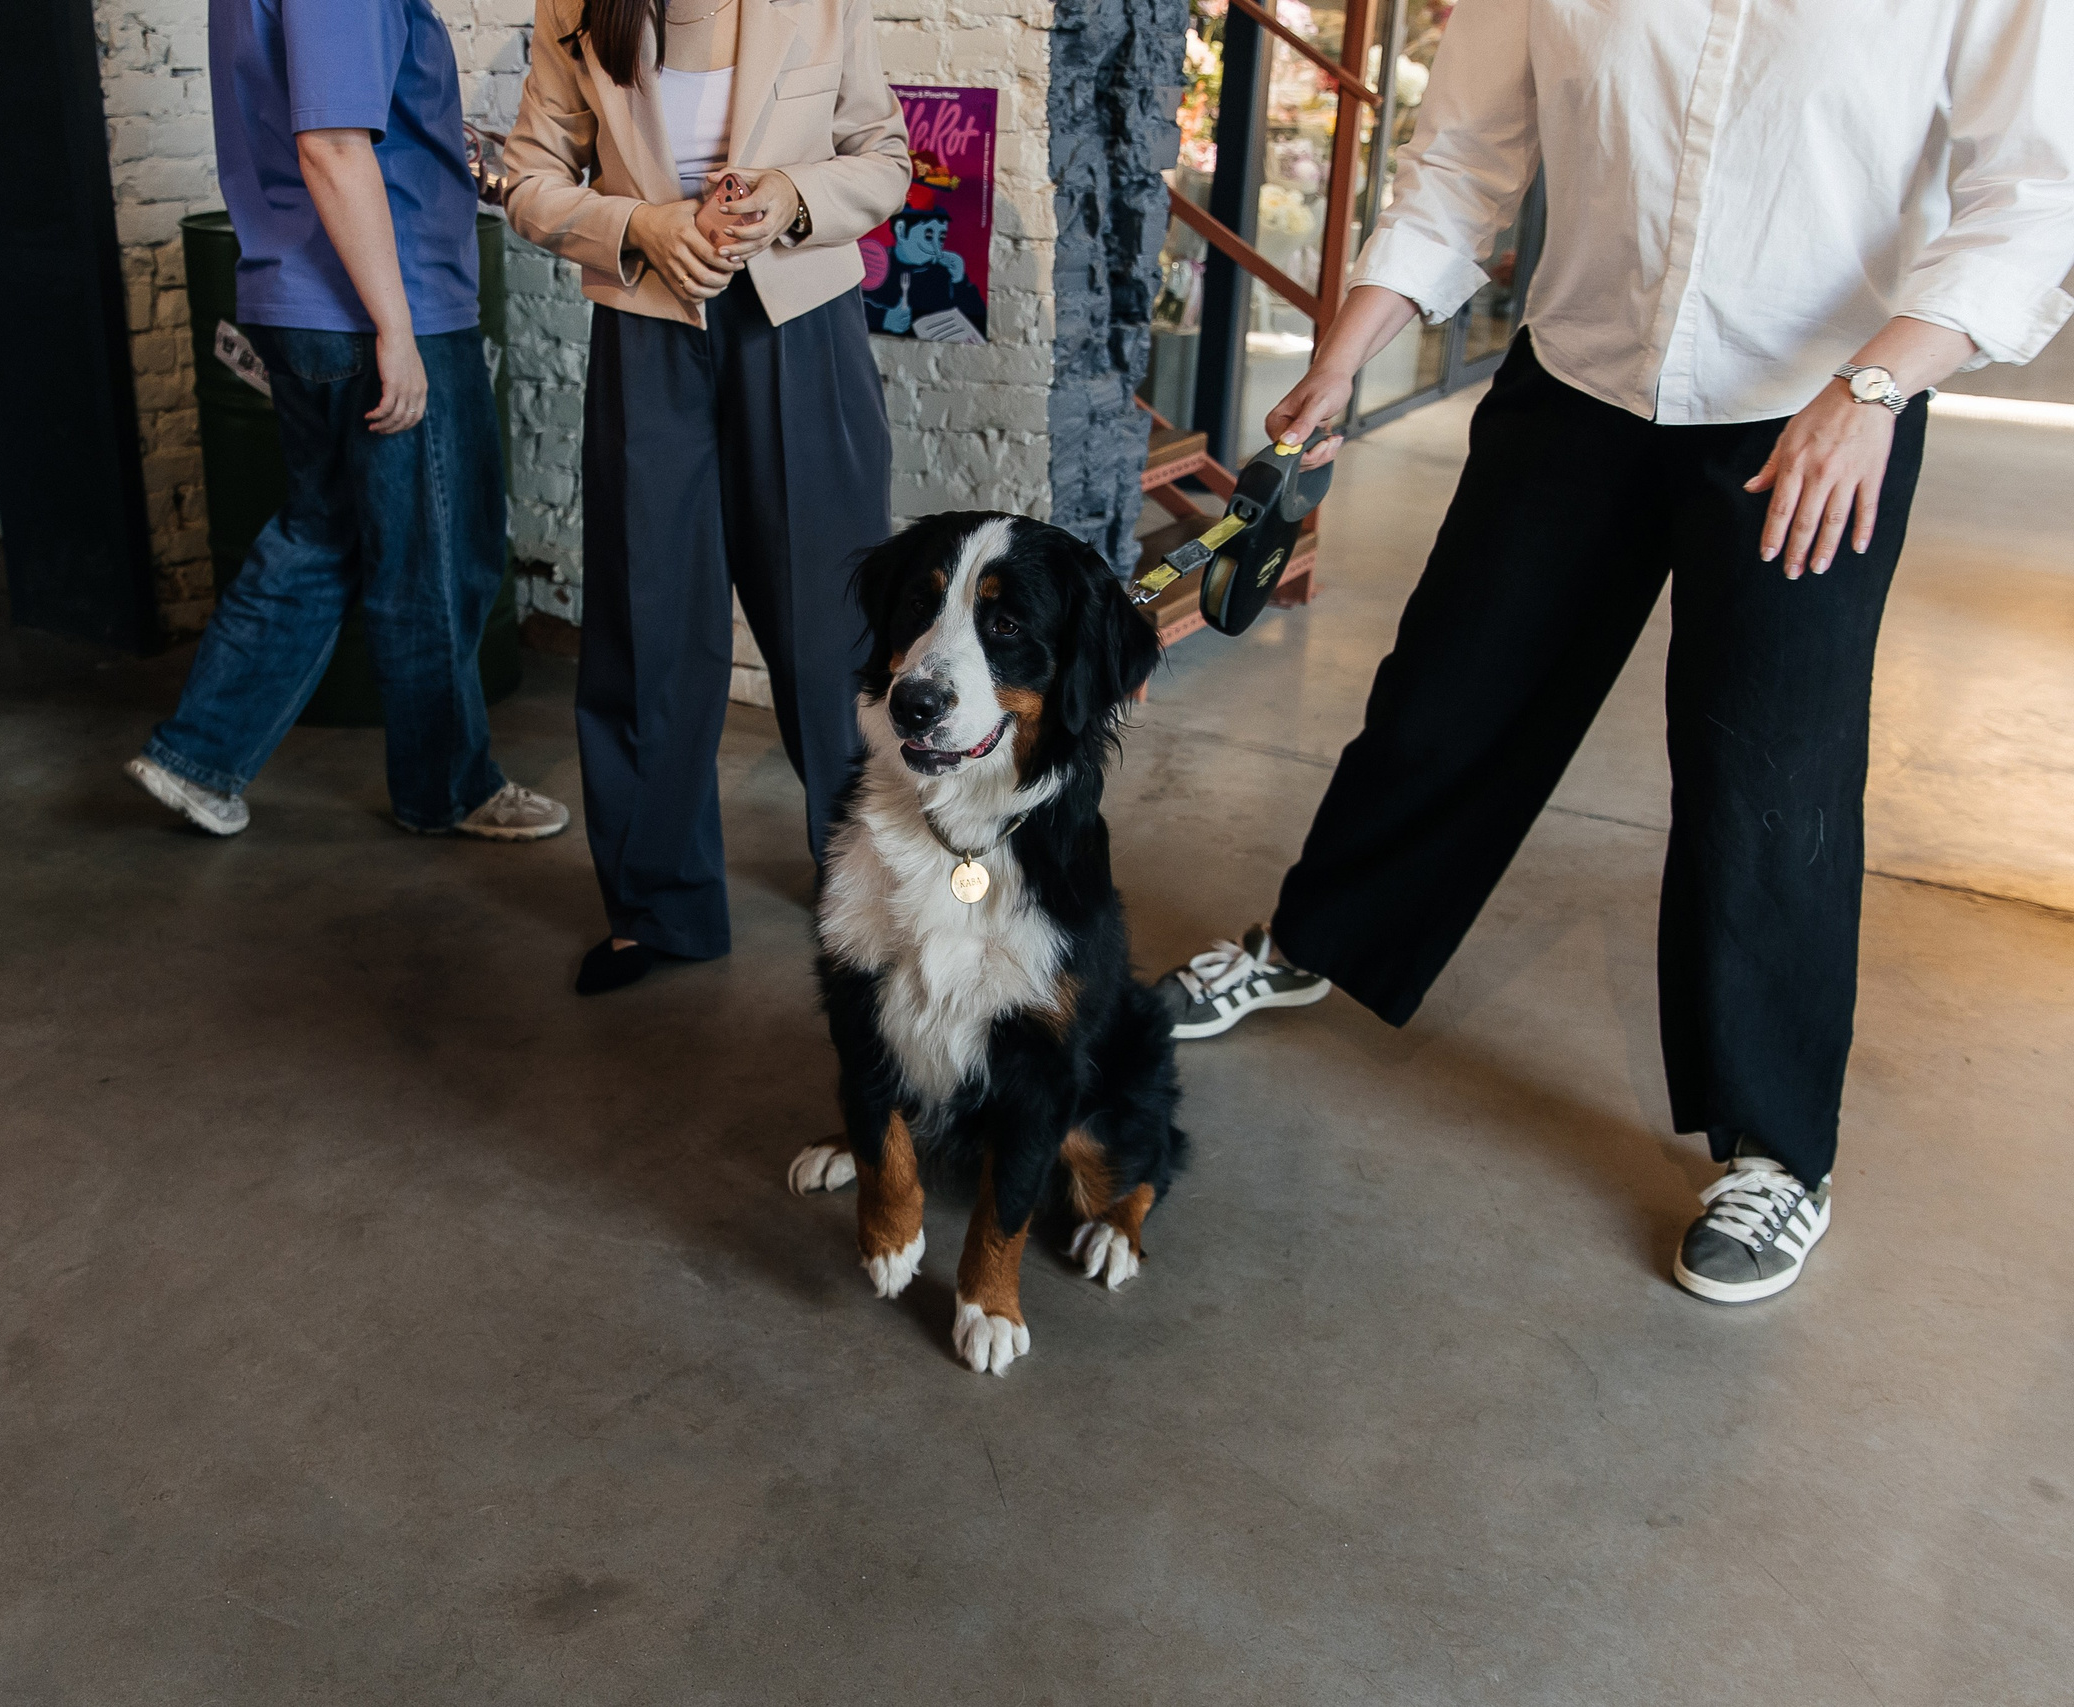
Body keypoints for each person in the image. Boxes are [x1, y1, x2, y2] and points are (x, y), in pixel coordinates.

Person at [1163, 0, 2074, 1303]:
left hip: (1815, 408)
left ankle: (1775, 1153)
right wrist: (1343, 360)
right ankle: (1319, 935)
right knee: (1445, 697)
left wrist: (1876, 387)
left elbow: (2034, 196)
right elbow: (1464, 161)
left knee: (1767, 779)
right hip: (1580, 376)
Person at [502, 0, 911, 994]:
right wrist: (636, 223)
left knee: (835, 630)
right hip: (649, 330)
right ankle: (659, 908)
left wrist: (790, 194)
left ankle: (879, 891)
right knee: (649, 625)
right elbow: (525, 179)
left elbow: (884, 155)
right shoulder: (576, 8)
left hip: (801, 329)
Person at [125, 0, 568, 844]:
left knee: (322, 533)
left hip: (308, 292)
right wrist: (393, 329)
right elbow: (328, 143)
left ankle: (196, 754)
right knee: (431, 558)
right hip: (376, 308)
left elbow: (334, 111)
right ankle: (449, 789)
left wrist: (432, 138)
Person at [862, 207, 987, 342]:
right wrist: (883, 318)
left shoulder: (942, 272)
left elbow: (978, 320)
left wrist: (960, 280)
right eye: (928, 236)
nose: (937, 249)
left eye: (941, 238)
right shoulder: (876, 262)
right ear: (901, 230)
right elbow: (847, 304)